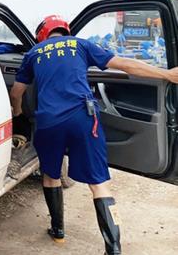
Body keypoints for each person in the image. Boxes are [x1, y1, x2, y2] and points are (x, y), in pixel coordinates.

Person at [10, 15, 178, 255]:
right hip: (83, 118)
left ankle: (57, 231)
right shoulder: (80, 45)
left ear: (42, 36)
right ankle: (113, 249)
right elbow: (126, 65)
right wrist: (167, 75)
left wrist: (17, 112)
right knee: (99, 184)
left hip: (49, 122)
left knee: (51, 175)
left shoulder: (33, 54)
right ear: (65, 31)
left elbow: (17, 92)